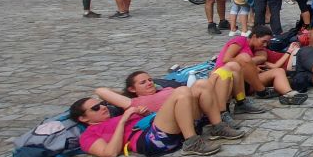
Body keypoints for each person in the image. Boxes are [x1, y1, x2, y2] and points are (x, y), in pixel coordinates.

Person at [70, 80, 243, 157]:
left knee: (201, 85)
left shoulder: (113, 115)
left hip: (157, 127)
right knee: (181, 92)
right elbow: (109, 152)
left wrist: (143, 115)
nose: (102, 107)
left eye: (101, 104)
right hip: (149, 141)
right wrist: (123, 122)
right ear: (83, 118)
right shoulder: (88, 135)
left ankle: (217, 126)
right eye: (95, 108)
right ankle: (192, 142)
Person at [100, 63, 246, 130]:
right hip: (190, 111)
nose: (149, 83)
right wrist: (125, 92)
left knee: (230, 67)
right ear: (132, 89)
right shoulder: (134, 101)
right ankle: (221, 116)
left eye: (150, 80)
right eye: (143, 83)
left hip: (202, 101)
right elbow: (101, 90)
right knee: (207, 81)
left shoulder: (164, 89)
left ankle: (234, 106)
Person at [215, 26, 307, 105]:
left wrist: (253, 66)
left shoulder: (256, 49)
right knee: (244, 58)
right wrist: (251, 66)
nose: (265, 44)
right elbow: (226, 59)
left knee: (279, 71)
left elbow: (269, 63)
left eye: (267, 42)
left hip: (249, 81)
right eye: (263, 41)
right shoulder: (241, 40)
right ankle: (262, 91)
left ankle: (289, 95)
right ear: (254, 36)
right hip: (232, 80)